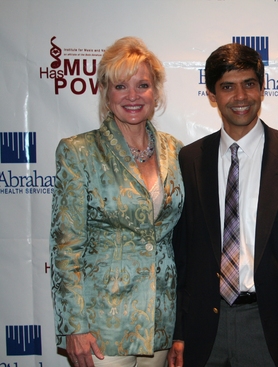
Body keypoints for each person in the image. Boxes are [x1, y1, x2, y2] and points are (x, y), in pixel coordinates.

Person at [167, 43, 278, 367]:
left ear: (262, 89)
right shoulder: (191, 160)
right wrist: (178, 331)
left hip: (270, 329)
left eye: (249, 84)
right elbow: (183, 257)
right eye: (227, 87)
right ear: (211, 95)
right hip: (204, 328)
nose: (240, 96)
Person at [50, 37, 184, 367]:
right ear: (107, 94)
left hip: (160, 323)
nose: (133, 96)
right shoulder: (79, 152)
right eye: (121, 86)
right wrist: (74, 326)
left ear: (156, 93)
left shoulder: (177, 152)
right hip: (101, 327)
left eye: (143, 85)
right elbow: (66, 247)